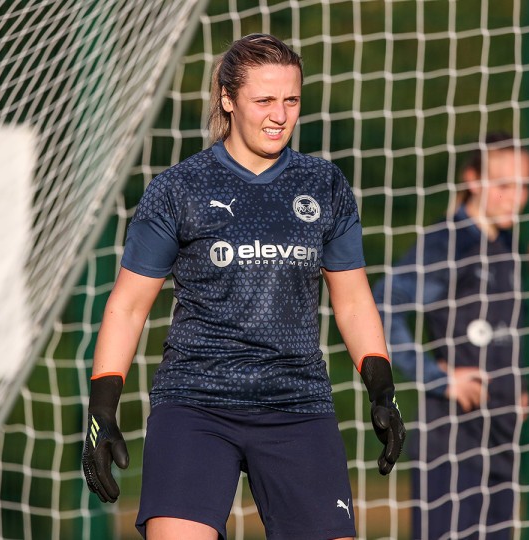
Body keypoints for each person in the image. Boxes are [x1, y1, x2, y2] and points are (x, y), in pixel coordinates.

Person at [80, 33, 406, 540]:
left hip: (297, 404)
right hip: (196, 403)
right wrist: (102, 409)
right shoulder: (178, 189)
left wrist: (382, 389)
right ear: (228, 100)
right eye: (265, 100)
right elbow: (127, 307)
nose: (280, 115)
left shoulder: (324, 186)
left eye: (291, 100)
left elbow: (354, 299)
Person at [373, 132, 529, 540]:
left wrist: (521, 384)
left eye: (523, 186)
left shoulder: (508, 244)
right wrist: (437, 377)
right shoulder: (450, 242)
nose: (515, 198)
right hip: (453, 433)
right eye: (503, 186)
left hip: (501, 428)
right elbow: (385, 303)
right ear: (473, 180)